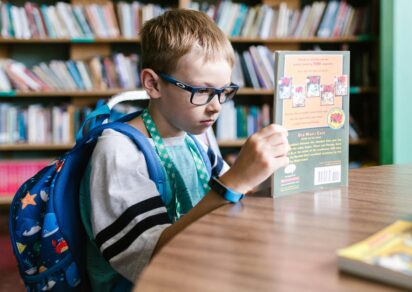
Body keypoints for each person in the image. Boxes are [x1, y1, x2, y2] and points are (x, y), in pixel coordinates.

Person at [79, 9, 289, 291]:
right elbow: (149, 256)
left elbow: (234, 198)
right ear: (153, 84)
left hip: (197, 265)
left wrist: (265, 174)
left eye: (223, 92)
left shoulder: (195, 136)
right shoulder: (119, 151)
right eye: (202, 91)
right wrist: (235, 181)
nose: (216, 106)